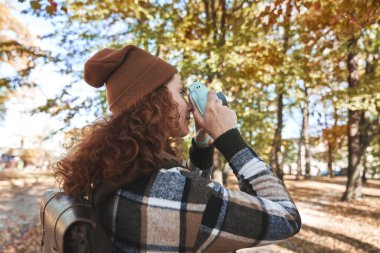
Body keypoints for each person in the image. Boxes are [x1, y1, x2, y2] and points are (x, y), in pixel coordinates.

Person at [55, 45, 301, 252]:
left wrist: (202, 145)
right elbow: (286, 217)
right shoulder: (167, 190)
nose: (188, 104)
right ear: (156, 103)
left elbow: (192, 208)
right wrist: (229, 138)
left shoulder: (119, 172)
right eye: (181, 91)